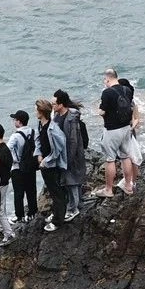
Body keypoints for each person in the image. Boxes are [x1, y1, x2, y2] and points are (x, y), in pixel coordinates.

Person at [97, 69, 139, 196]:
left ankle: (108, 189)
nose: (105, 82)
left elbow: (102, 112)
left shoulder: (107, 93)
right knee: (125, 156)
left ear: (108, 79)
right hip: (126, 128)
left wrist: (99, 111)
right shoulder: (127, 90)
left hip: (112, 129)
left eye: (105, 80)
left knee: (110, 159)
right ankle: (128, 186)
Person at [54, 91, 86, 219]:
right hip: (64, 154)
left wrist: (69, 157)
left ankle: (73, 208)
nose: (52, 106)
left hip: (71, 154)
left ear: (61, 104)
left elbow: (73, 140)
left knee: (71, 181)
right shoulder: (57, 116)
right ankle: (77, 204)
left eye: (54, 104)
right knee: (73, 180)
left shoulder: (71, 118)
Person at [37, 97, 67, 230]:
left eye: (36, 110)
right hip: (44, 163)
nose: (35, 113)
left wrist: (46, 160)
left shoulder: (52, 128)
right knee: (52, 191)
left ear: (41, 112)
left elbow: (59, 147)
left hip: (52, 165)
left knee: (57, 193)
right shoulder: (41, 125)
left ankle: (58, 220)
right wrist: (38, 154)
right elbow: (39, 141)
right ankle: (56, 213)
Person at [7, 109, 38, 222]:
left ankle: (19, 216)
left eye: (14, 119)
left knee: (19, 193)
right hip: (30, 166)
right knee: (31, 190)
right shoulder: (33, 132)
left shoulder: (15, 136)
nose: (14, 121)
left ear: (19, 122)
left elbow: (7, 149)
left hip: (18, 167)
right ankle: (32, 212)